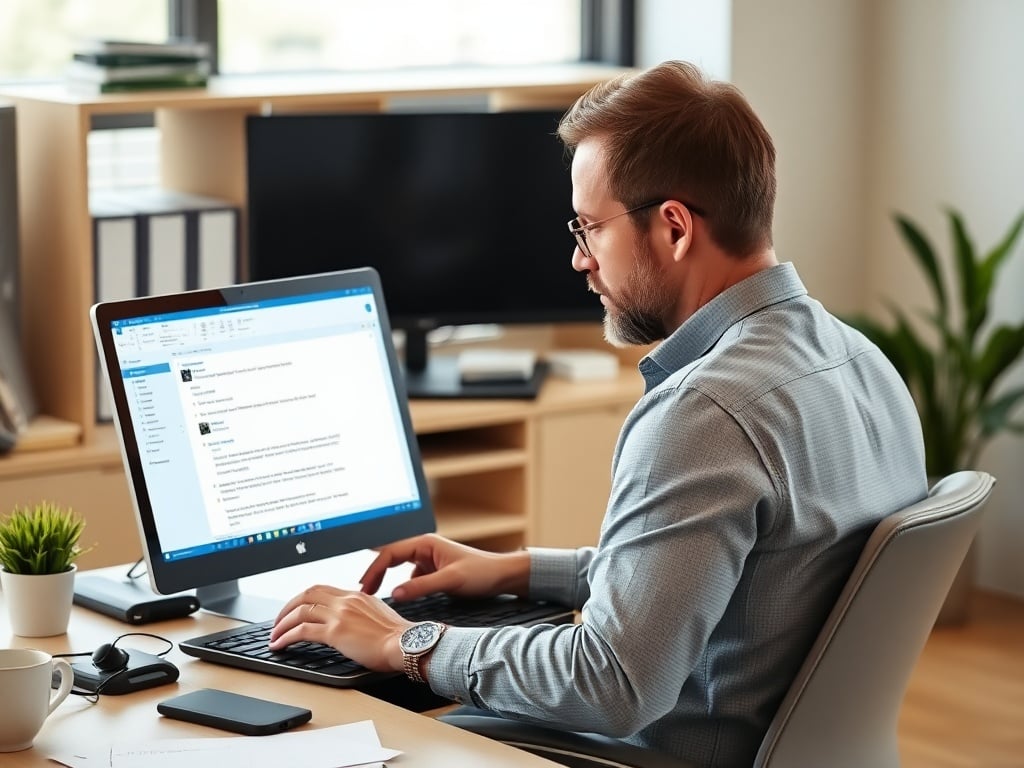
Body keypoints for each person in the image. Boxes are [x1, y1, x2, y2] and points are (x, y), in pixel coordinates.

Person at [269, 60, 928, 767]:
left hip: (668, 754)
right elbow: (739, 578)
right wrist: (518, 569)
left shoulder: (704, 413)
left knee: (355, 731)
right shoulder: (862, 363)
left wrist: (405, 640)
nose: (580, 259)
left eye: (589, 228)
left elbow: (612, 683)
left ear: (674, 227)